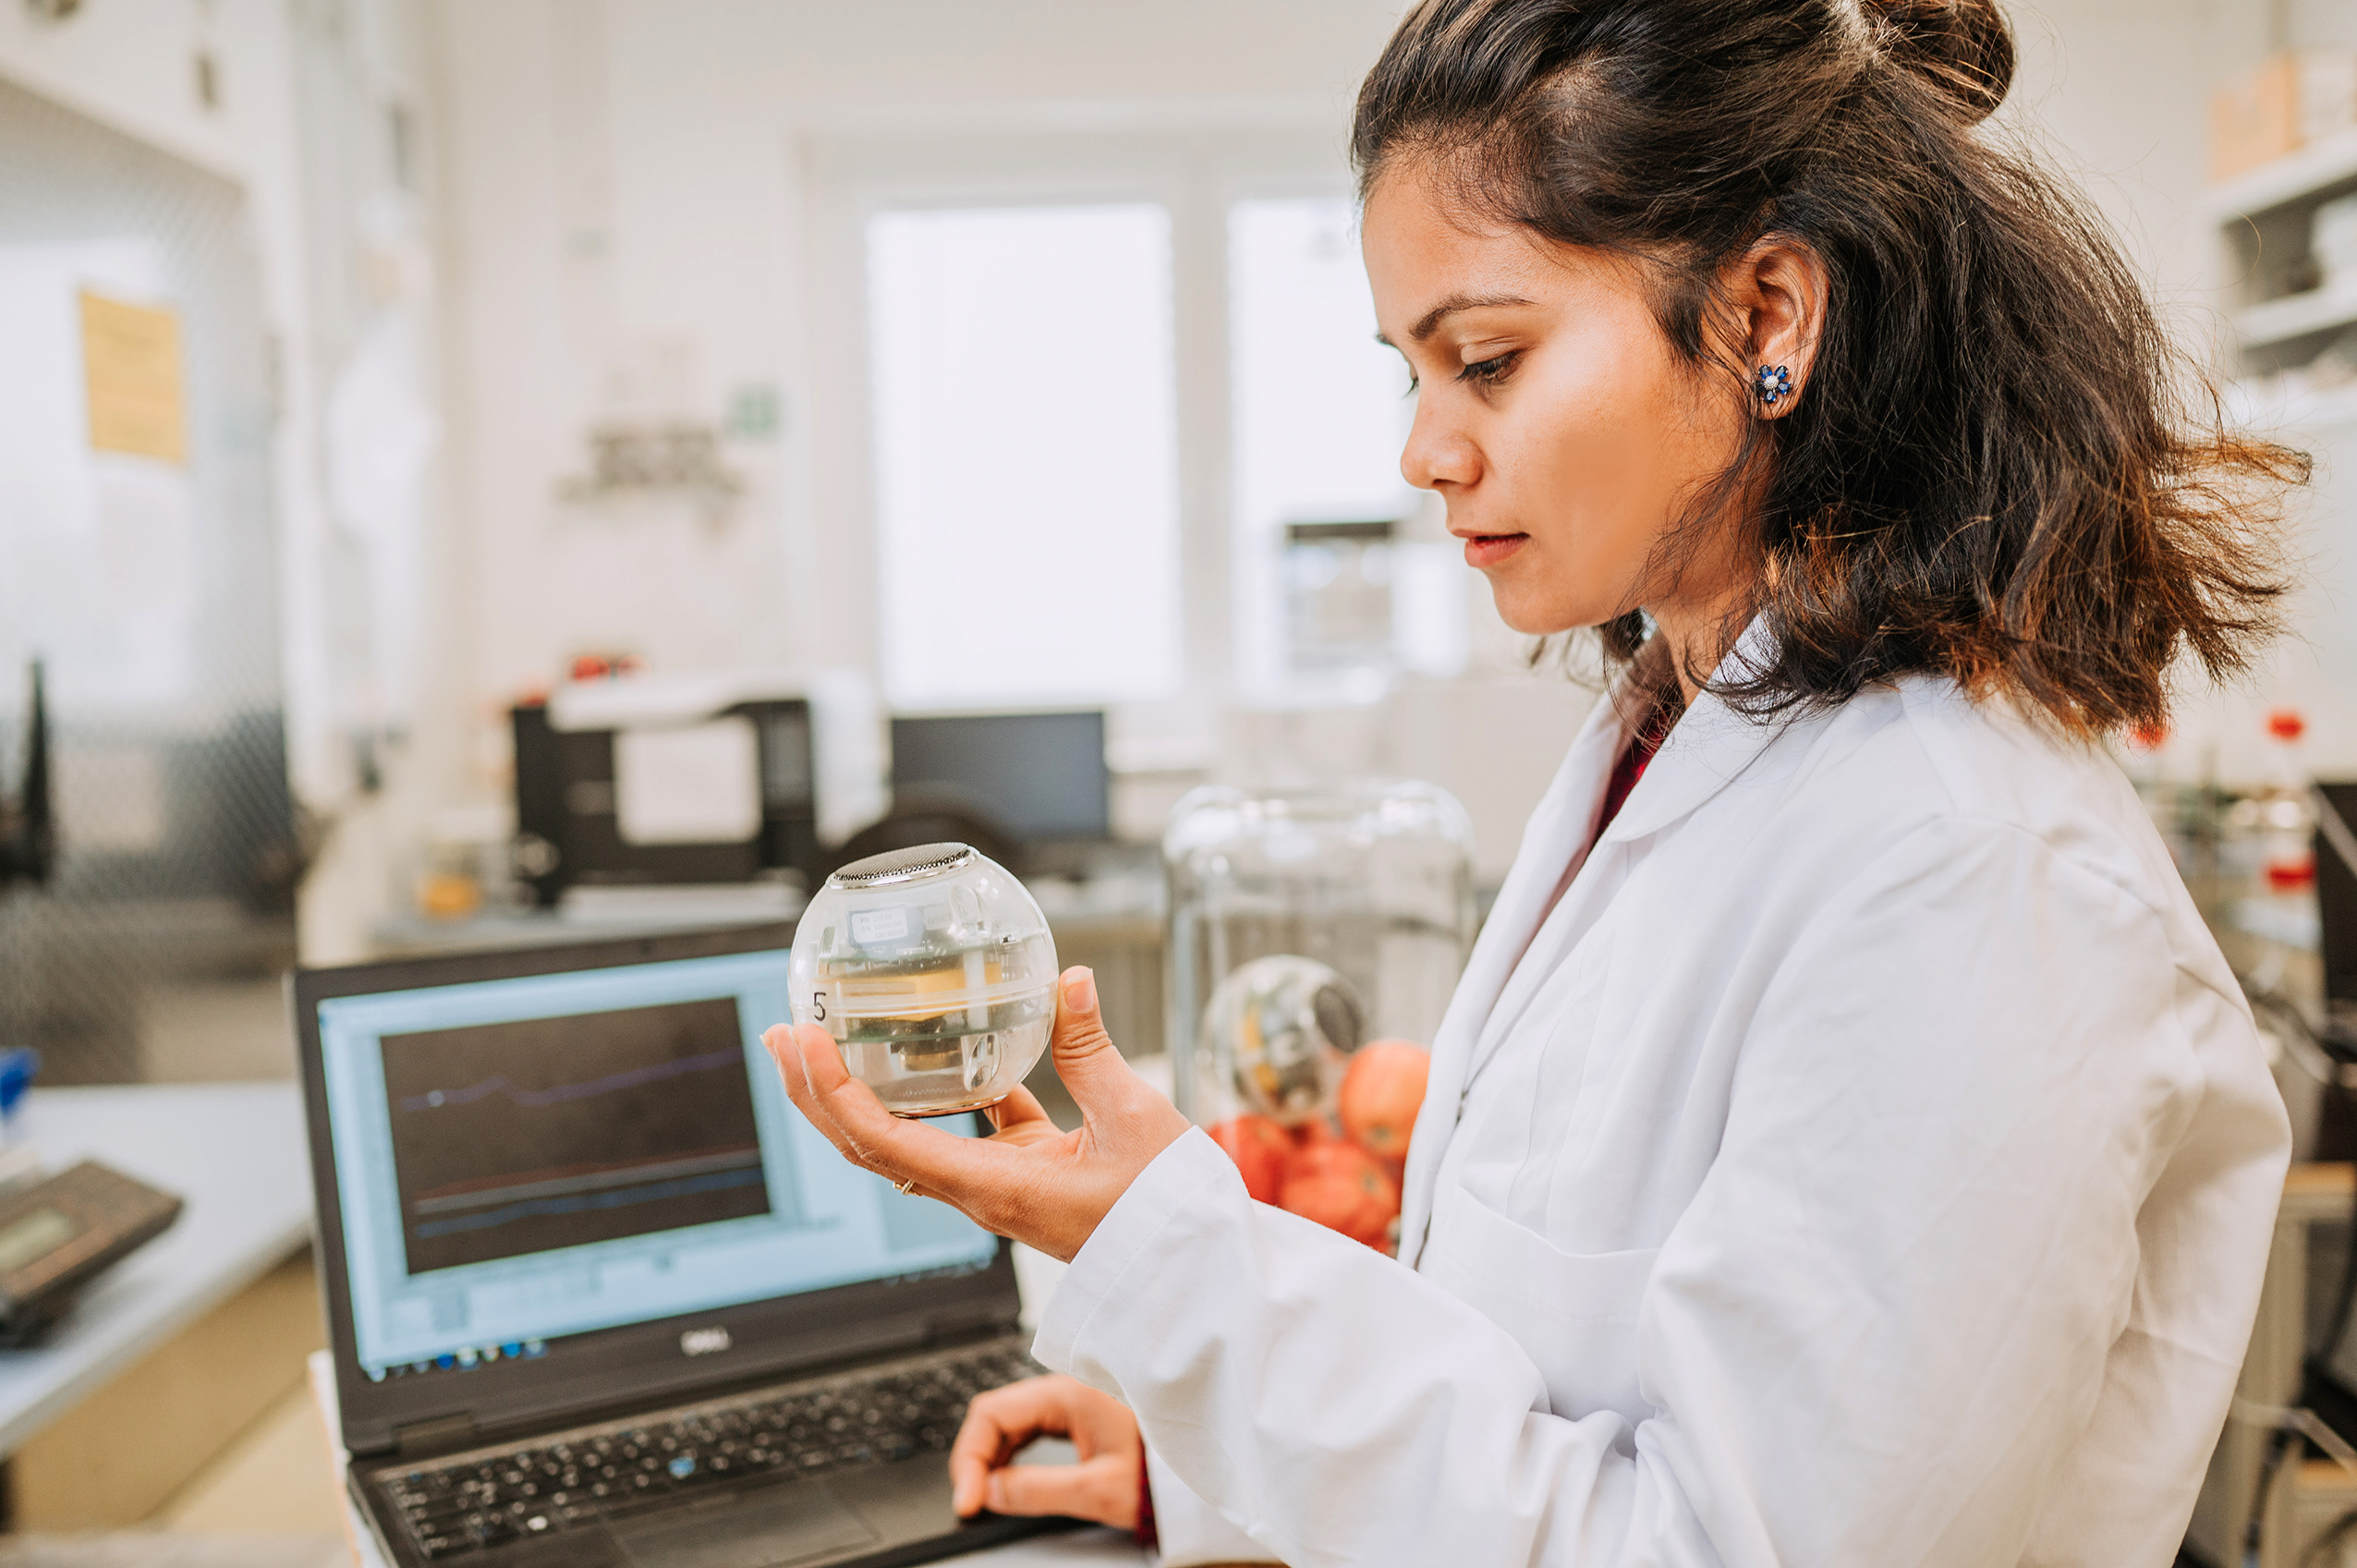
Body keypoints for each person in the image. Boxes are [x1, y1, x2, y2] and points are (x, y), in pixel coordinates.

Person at [766, 0, 2314, 1561]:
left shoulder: (1968, 868)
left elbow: (1720, 1544)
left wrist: (1176, 1268)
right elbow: (1545, 1373)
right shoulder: (1683, 729)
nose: (1425, 449)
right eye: (1412, 371)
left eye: (1488, 361)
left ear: (1768, 316)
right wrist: (1210, 1459)